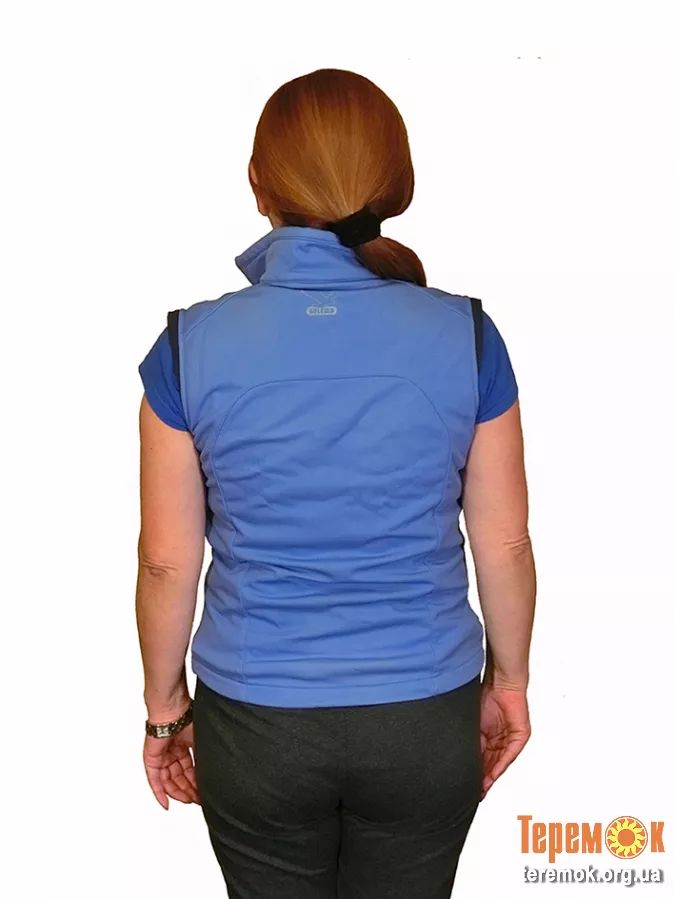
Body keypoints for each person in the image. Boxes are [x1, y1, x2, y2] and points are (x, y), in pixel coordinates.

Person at [136, 67, 536, 899]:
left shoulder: (186, 347)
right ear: (393, 182)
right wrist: (509, 683)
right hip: (424, 718)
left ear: (258, 184)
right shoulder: (467, 335)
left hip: (258, 726)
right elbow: (502, 542)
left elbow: (167, 562)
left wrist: (165, 708)